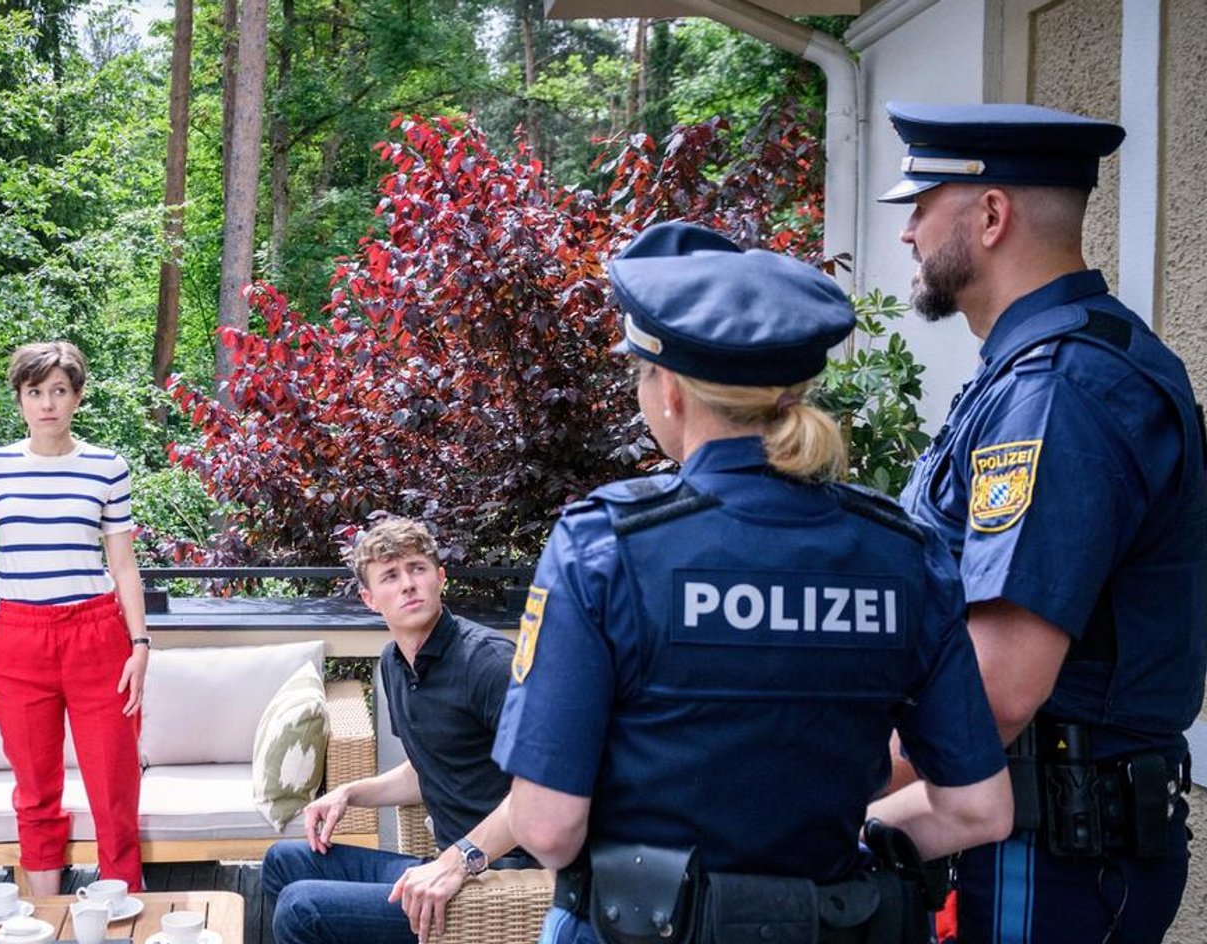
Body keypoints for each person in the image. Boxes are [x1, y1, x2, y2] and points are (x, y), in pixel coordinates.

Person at [492, 223, 1014, 944]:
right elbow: (978, 810)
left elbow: (548, 828)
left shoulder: (605, 545)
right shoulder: (901, 552)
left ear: (670, 390)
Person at [880, 101, 1206, 944]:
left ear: (990, 216)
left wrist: (812, 783)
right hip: (1020, 834)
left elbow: (994, 695)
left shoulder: (1056, 392)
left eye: (921, 205)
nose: (908, 234)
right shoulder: (1035, 372)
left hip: (1042, 851)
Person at [261, 517, 534, 944]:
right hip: (443, 863)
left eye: (418, 569)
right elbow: (426, 769)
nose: (408, 584)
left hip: (499, 875)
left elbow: (545, 789)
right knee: (283, 860)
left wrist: (459, 860)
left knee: (302, 909)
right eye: (391, 576)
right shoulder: (394, 664)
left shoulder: (489, 664)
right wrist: (351, 793)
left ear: (440, 578)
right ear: (370, 599)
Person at [0, 340, 148, 895]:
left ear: (78, 397)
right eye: (35, 392)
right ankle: (44, 918)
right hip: (20, 639)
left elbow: (124, 563)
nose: (47, 404)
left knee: (113, 789)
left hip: (98, 635)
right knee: (35, 791)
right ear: (19, 399)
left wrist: (139, 645)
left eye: (59, 391)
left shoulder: (107, 467)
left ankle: (121, 917)